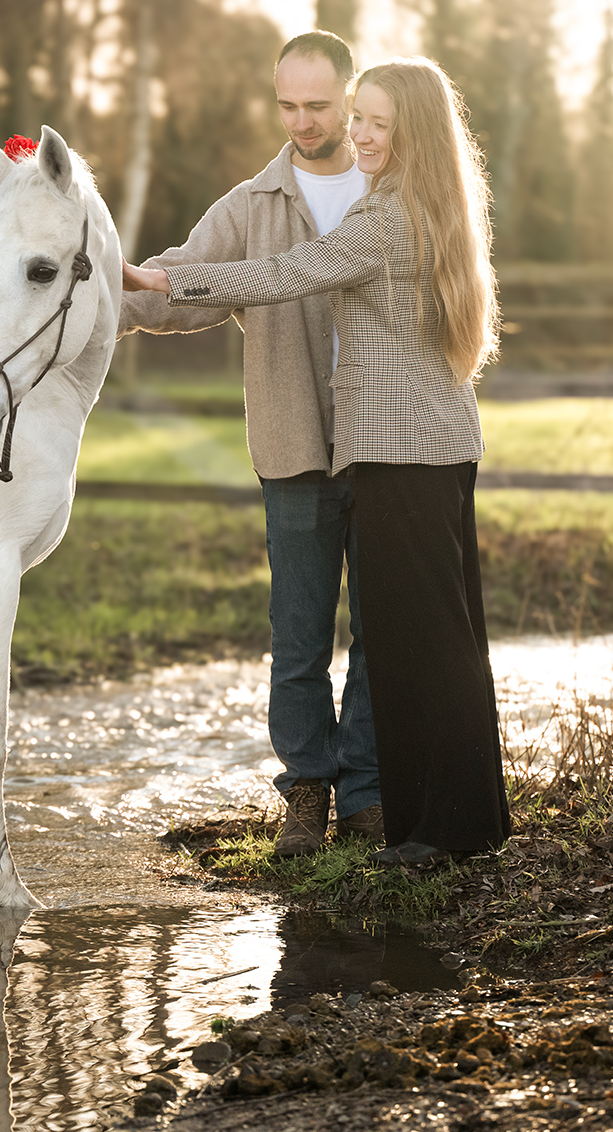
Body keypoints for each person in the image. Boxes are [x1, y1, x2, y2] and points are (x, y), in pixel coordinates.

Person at [123, 56, 513, 864]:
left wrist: (163, 275)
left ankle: (433, 824)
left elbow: (284, 272)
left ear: (406, 129)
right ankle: (455, 818)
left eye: (373, 121)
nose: (359, 133)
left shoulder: (382, 218)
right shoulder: (424, 201)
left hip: (400, 451)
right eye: (359, 120)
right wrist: (119, 300)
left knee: (418, 645)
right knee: (440, 639)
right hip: (428, 444)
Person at [119, 30, 381, 858]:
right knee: (298, 630)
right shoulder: (250, 205)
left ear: (350, 95)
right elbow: (181, 285)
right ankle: (308, 788)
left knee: (382, 628)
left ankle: (370, 792)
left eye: (318, 104)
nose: (302, 122)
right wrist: (98, 294)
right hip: (293, 441)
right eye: (287, 105)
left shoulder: (393, 185)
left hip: (386, 447)